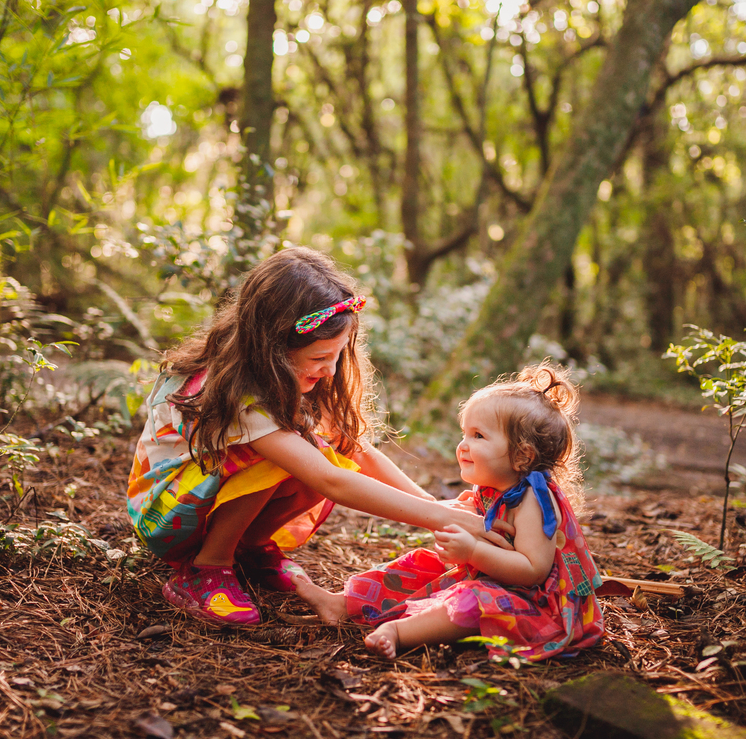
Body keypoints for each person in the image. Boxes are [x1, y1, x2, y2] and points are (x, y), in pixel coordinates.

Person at [126, 247, 505, 625]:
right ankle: (206, 568)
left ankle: (249, 549)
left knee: (319, 446)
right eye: (320, 357)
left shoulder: (286, 377)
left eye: (338, 354)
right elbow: (331, 480)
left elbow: (356, 450)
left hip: (201, 503)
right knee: (292, 456)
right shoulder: (239, 394)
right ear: (273, 348)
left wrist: (435, 504)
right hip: (165, 513)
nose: (331, 369)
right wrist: (439, 519)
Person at [294, 362, 605, 662]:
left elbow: (531, 571)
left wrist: (472, 551)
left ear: (522, 455)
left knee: (471, 601)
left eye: (478, 436)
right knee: (419, 565)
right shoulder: (494, 488)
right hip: (488, 578)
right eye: (464, 433)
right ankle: (343, 604)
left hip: (534, 605)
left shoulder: (534, 501)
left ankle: (399, 632)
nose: (463, 446)